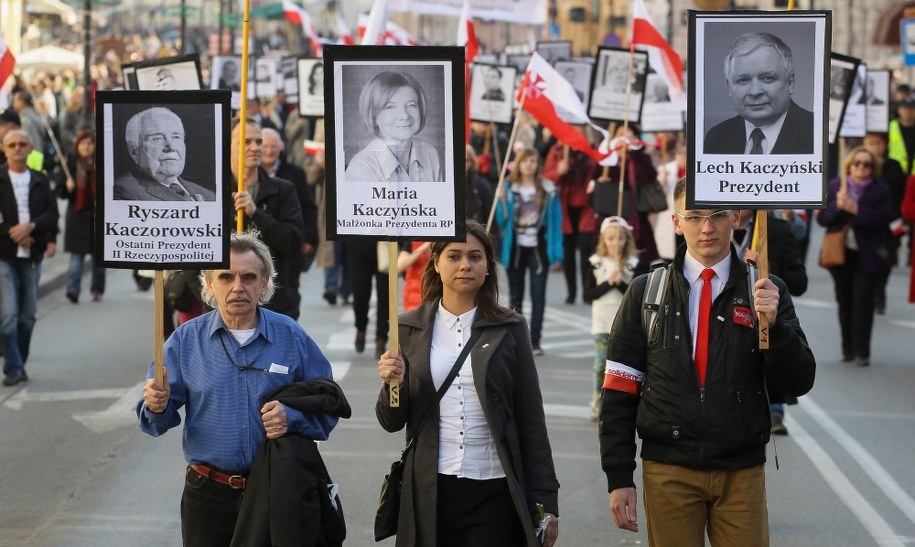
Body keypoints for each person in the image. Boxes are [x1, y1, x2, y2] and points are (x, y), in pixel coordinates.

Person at [599, 178, 816, 545]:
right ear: (676, 222)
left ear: (736, 216)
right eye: (695, 216)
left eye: (717, 214)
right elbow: (620, 388)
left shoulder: (764, 288)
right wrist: (619, 476)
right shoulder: (645, 292)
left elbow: (799, 380)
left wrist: (775, 327)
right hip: (668, 467)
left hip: (741, 468)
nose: (708, 227)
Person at [137, 231, 339, 546]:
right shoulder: (184, 341)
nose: (237, 287)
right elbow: (154, 422)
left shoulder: (291, 337)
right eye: (226, 276)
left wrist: (293, 418)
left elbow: (328, 405)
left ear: (264, 283)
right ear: (209, 284)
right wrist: (156, 405)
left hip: (278, 492)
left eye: (248, 277)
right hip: (208, 497)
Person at [376, 220, 560, 547]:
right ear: (435, 262)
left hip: (496, 490)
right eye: (454, 255)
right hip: (430, 490)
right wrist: (394, 382)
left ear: (488, 266)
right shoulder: (406, 328)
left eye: (475, 256)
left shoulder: (511, 327)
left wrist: (546, 501)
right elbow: (392, 422)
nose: (465, 265)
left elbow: (531, 419)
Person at [731, 209, 808, 435]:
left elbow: (799, 282)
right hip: (725, 321)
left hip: (764, 315)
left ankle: (775, 410)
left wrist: (765, 268)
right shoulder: (713, 226)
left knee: (772, 346)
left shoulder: (778, 230)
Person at [817, 146, 893, 367]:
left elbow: (884, 219)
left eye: (866, 164)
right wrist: (837, 206)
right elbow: (822, 219)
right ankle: (847, 349)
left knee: (863, 301)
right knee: (845, 300)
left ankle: (863, 352)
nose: (861, 167)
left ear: (873, 168)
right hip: (840, 254)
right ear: (849, 165)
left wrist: (857, 209)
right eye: (857, 163)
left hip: (867, 255)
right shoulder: (835, 186)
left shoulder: (880, 190)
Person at [230, 117, 306, 320]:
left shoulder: (283, 190)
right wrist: (210, 299)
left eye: (258, 141)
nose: (255, 147)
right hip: (222, 309)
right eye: (246, 142)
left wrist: (256, 214)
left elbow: (293, 242)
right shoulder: (210, 193)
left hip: (275, 308)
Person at [0, 130, 59, 387]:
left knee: (28, 315)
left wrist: (32, 227)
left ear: (31, 147)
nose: (17, 148)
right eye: (12, 144)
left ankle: (18, 362)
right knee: (9, 315)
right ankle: (12, 367)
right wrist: (14, 233)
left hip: (32, 256)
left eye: (22, 143)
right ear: (4, 149)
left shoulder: (40, 179)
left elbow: (52, 214)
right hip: (4, 255)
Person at [495, 147, 563, 356]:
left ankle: (535, 341)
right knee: (516, 294)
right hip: (515, 247)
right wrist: (500, 202)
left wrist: (556, 253)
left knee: (538, 294)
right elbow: (501, 222)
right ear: (518, 163)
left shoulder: (548, 189)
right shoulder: (507, 187)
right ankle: (519, 339)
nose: (529, 165)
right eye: (525, 161)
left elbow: (555, 223)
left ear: (538, 165)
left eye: (533, 161)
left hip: (538, 248)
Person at [704, 32, 814, 155]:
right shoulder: (716, 138)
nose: (755, 91)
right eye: (743, 80)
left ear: (790, 82)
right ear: (729, 86)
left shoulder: (817, 133)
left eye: (768, 78)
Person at [344, 71, 443, 183]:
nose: (405, 116)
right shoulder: (361, 169)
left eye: (411, 105)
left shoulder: (430, 153)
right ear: (373, 116)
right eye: (390, 107)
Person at [583, 217, 637, 422]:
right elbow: (589, 294)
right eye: (611, 239)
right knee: (600, 364)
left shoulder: (633, 264)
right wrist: (608, 283)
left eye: (620, 238)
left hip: (624, 323)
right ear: (603, 240)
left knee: (622, 366)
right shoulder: (596, 263)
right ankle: (597, 399)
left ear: (627, 239)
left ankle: (618, 403)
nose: (615, 243)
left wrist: (621, 283)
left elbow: (635, 295)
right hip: (602, 323)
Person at [113, 107, 217, 201]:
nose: (171, 147)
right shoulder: (122, 192)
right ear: (134, 151)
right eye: (157, 138)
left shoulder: (208, 195)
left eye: (176, 137)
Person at [543, 138, 600, 305]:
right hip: (565, 209)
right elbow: (547, 179)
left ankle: (587, 292)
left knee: (587, 252)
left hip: (586, 207)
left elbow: (600, 170)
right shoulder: (558, 150)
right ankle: (571, 292)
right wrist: (558, 172)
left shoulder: (591, 150)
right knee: (568, 253)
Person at [56, 129, 105, 303]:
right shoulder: (70, 164)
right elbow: (60, 192)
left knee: (98, 258)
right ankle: (73, 289)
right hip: (77, 217)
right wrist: (67, 187)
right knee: (76, 257)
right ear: (78, 146)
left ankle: (97, 289)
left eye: (90, 143)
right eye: (83, 143)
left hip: (97, 217)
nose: (86, 146)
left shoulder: (101, 164)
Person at [260, 127, 318, 273]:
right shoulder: (248, 174)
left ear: (281, 148)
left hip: (288, 243)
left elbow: (308, 206)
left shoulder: (295, 173)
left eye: (273, 146)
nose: (269, 151)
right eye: (265, 146)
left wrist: (309, 237)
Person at [863, 132, 907, 315]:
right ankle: (872, 292)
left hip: (892, 221)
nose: (876, 147)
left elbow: (903, 192)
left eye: (879, 143)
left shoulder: (895, 166)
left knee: (888, 259)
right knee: (869, 258)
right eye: (872, 143)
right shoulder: (862, 165)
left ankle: (880, 290)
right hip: (868, 222)